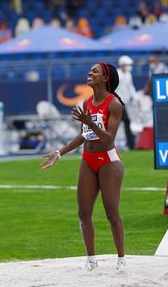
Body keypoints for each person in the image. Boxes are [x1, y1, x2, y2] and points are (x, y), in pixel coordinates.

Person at [41, 62, 126, 272]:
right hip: (88, 158)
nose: (90, 73)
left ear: (105, 78)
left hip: (108, 160)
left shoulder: (114, 104)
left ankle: (122, 259)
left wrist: (91, 122)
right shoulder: (87, 102)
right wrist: (59, 152)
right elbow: (83, 135)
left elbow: (109, 140)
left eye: (95, 71)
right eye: (90, 70)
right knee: (83, 212)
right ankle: (91, 261)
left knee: (111, 213)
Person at [116, 56, 137, 150]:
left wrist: (136, 99)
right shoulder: (117, 74)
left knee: (126, 122)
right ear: (122, 65)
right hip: (117, 103)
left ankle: (131, 144)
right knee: (122, 122)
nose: (129, 66)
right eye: (127, 64)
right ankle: (130, 144)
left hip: (125, 103)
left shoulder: (128, 75)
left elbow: (131, 88)